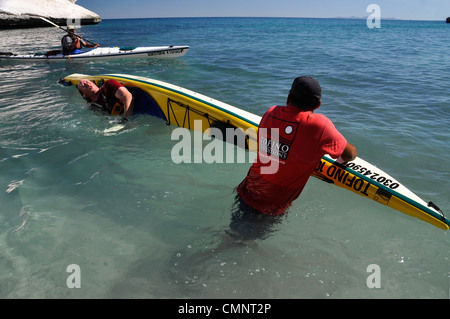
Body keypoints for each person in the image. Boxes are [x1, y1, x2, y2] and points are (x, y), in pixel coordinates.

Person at [235, 76, 357, 217]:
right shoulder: (320, 126)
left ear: (288, 98)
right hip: (271, 206)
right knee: (244, 238)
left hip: (246, 189)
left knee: (234, 233)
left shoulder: (271, 112)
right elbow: (349, 154)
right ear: (318, 105)